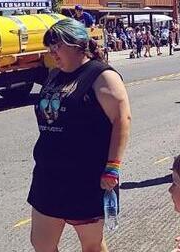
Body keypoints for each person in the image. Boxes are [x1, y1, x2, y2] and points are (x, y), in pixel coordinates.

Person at [28, 19, 131, 252]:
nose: (52, 51)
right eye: (50, 46)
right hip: (48, 175)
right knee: (41, 243)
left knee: (92, 245)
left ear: (76, 45)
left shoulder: (101, 75)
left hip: (86, 177)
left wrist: (113, 166)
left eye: (57, 45)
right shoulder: (54, 75)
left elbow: (122, 119)